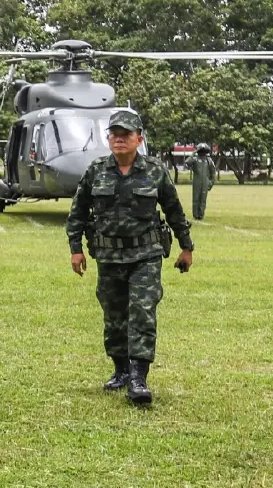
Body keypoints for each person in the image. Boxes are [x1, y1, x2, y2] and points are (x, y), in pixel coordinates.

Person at [66, 110, 193, 406]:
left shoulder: (155, 171)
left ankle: (139, 377)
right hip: (108, 257)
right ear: (108, 139)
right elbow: (78, 212)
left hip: (145, 255)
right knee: (114, 315)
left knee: (142, 311)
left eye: (126, 134)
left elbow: (174, 211)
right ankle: (121, 369)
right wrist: (75, 248)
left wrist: (186, 248)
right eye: (114, 134)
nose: (119, 139)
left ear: (139, 139)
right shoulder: (96, 170)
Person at [189, 143, 216, 220]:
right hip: (196, 182)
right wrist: (193, 153)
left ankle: (201, 214)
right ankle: (195, 214)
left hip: (205, 182)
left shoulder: (209, 160)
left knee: (203, 199)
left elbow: (213, 172)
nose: (202, 153)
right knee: (196, 198)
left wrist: (211, 182)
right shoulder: (195, 159)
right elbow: (187, 162)